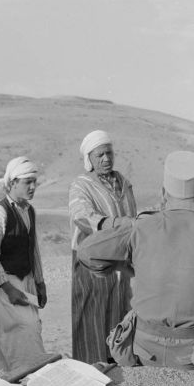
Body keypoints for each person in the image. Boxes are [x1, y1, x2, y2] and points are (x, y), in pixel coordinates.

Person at [77, 151, 194, 369]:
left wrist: (128, 267)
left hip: (144, 351)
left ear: (163, 193)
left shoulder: (141, 228)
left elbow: (87, 252)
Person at [69, 130, 137, 363]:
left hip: (121, 261)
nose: (106, 158)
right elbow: (82, 216)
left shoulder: (125, 184)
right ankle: (91, 369)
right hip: (92, 260)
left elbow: (134, 219)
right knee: (91, 314)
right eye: (100, 155)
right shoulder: (81, 185)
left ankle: (117, 364)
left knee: (120, 312)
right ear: (89, 159)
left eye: (109, 153)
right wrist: (118, 225)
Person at [0, 156, 49, 372]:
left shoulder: (30, 211)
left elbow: (34, 249)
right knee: (22, 329)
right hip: (4, 284)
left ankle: (6, 376)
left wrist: (40, 282)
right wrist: (8, 288)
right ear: (12, 183)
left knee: (15, 333)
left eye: (34, 182)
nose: (32, 187)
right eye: (27, 182)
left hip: (25, 282)